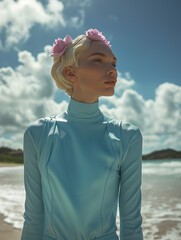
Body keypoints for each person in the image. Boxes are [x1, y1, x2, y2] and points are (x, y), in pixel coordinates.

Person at [21, 29, 143, 240]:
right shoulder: (37, 134)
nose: (112, 70)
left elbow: (131, 222)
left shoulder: (127, 136)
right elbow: (34, 217)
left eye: (113, 64)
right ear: (70, 73)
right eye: (98, 60)